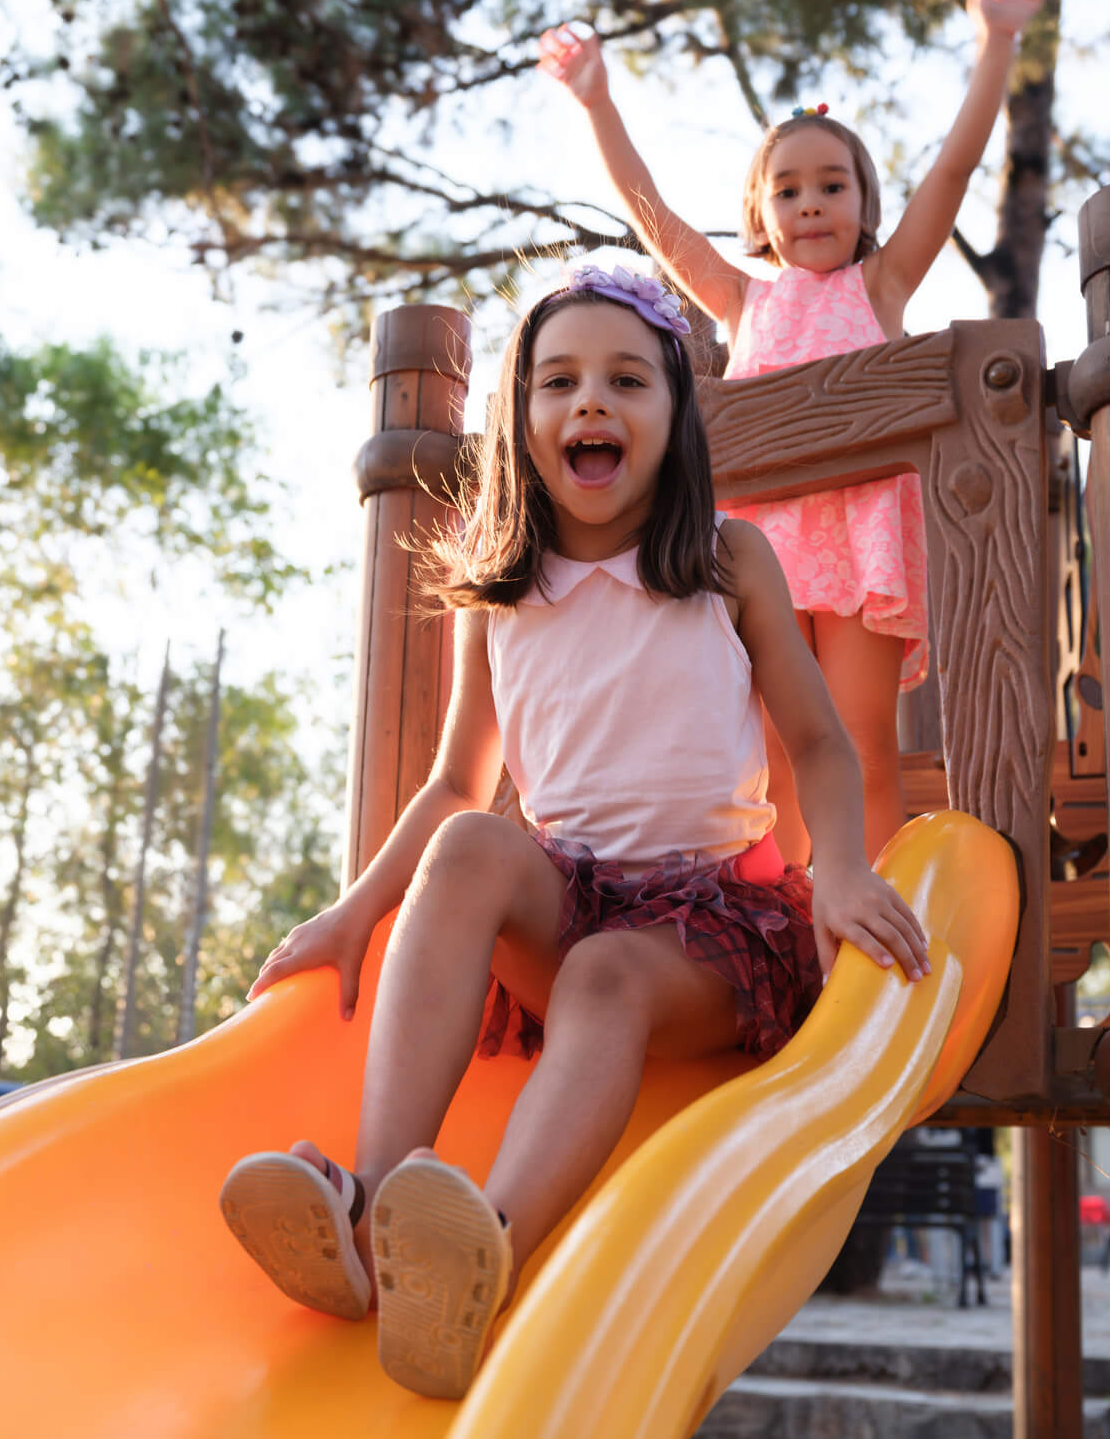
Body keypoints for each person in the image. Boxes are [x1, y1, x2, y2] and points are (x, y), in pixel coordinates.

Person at [218, 264, 931, 1401]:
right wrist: (356, 910)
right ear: (522, 416)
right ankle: (369, 1199)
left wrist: (838, 867)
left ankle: (478, 1257)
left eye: (624, 381)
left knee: (604, 972)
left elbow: (820, 739)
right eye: (558, 382)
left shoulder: (725, 564)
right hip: (571, 900)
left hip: (710, 928)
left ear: (672, 415)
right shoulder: (502, 590)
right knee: (470, 848)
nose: (589, 404)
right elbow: (458, 782)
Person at [538, 0, 1046, 866]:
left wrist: (996, 41)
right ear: (761, 214)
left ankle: (875, 931)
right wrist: (596, 101)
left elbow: (959, 167)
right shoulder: (743, 302)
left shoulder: (880, 285)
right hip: (760, 544)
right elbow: (652, 216)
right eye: (789, 189)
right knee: (774, 754)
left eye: (832, 186)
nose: (811, 203)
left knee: (859, 745)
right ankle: (794, 919)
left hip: (856, 541)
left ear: (862, 203)